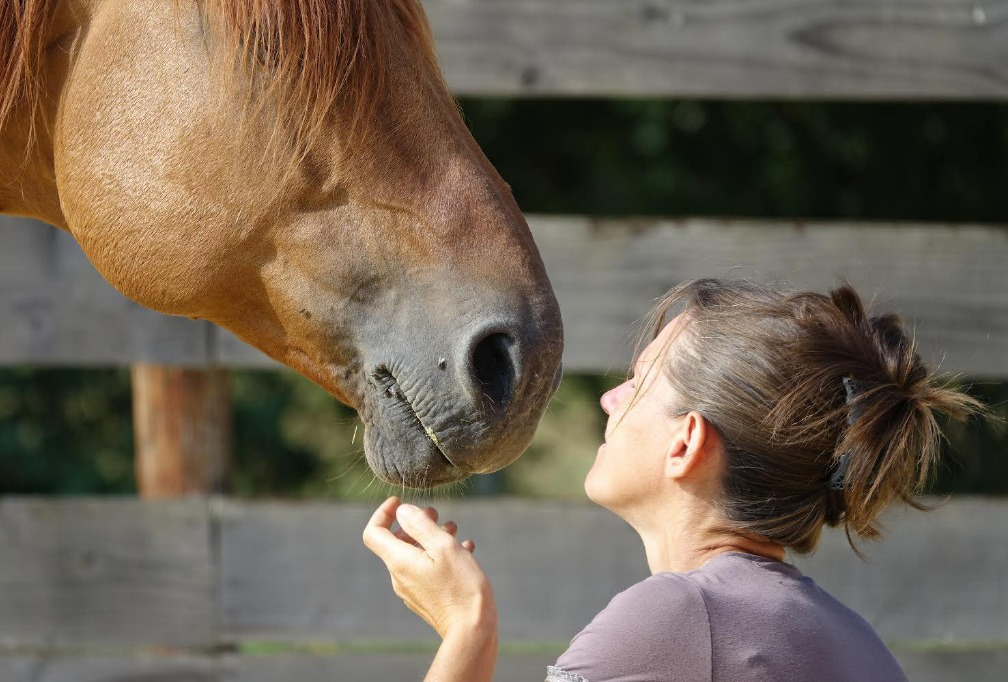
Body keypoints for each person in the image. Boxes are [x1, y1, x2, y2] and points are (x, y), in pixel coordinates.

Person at [362, 278, 981, 682]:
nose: (610, 399)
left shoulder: (679, 618)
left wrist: (469, 624)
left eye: (641, 382)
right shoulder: (857, 642)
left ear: (686, 443)